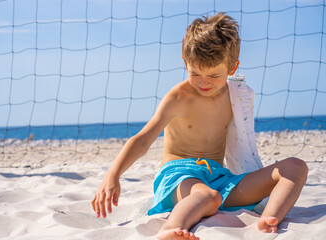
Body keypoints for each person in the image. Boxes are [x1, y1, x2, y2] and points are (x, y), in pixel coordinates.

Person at [91, 12, 308, 240]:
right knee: (208, 197)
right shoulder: (178, 97)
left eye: (214, 75)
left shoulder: (236, 96)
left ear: (232, 69)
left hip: (220, 178)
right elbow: (144, 139)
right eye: (195, 73)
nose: (203, 82)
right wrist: (112, 175)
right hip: (179, 176)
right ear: (185, 63)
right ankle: (169, 230)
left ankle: (268, 220)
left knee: (295, 167)